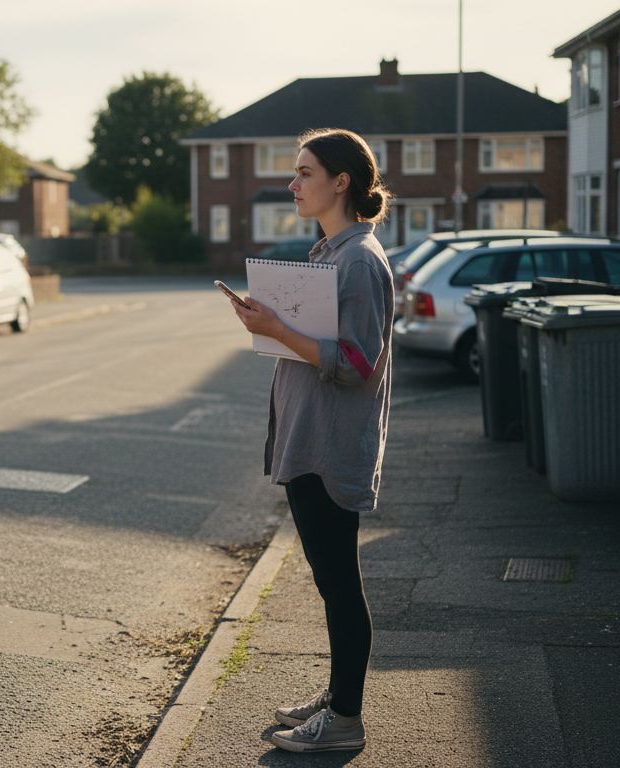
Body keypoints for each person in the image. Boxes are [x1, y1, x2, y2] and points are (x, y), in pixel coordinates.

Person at [229, 127, 394, 753]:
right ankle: (338, 694)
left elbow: (357, 363)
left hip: (330, 446)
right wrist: (268, 323)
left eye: (304, 173)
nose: (292, 185)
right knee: (330, 581)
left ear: (340, 181)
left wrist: (276, 326)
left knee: (339, 582)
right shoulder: (330, 251)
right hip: (309, 438)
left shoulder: (357, 259)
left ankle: (345, 719)